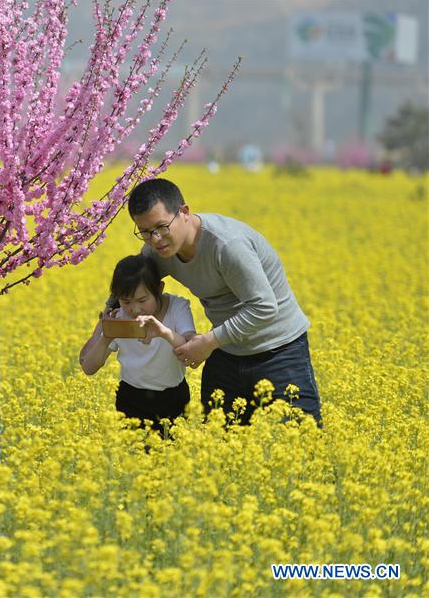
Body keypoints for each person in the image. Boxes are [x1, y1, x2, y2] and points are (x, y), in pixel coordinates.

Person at [126, 178, 321, 425]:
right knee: (219, 447)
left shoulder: (227, 246)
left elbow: (264, 307)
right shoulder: (159, 251)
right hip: (228, 352)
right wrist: (112, 315)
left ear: (184, 212)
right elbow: (133, 282)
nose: (155, 239)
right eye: (144, 232)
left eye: (161, 227)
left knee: (302, 442)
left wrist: (209, 342)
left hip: (279, 351)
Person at [80, 255, 196, 435]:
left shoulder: (177, 307)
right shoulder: (119, 316)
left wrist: (163, 332)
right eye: (126, 301)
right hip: (131, 400)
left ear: (159, 289)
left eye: (142, 300)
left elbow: (191, 350)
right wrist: (106, 336)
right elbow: (88, 367)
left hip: (174, 398)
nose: (134, 309)